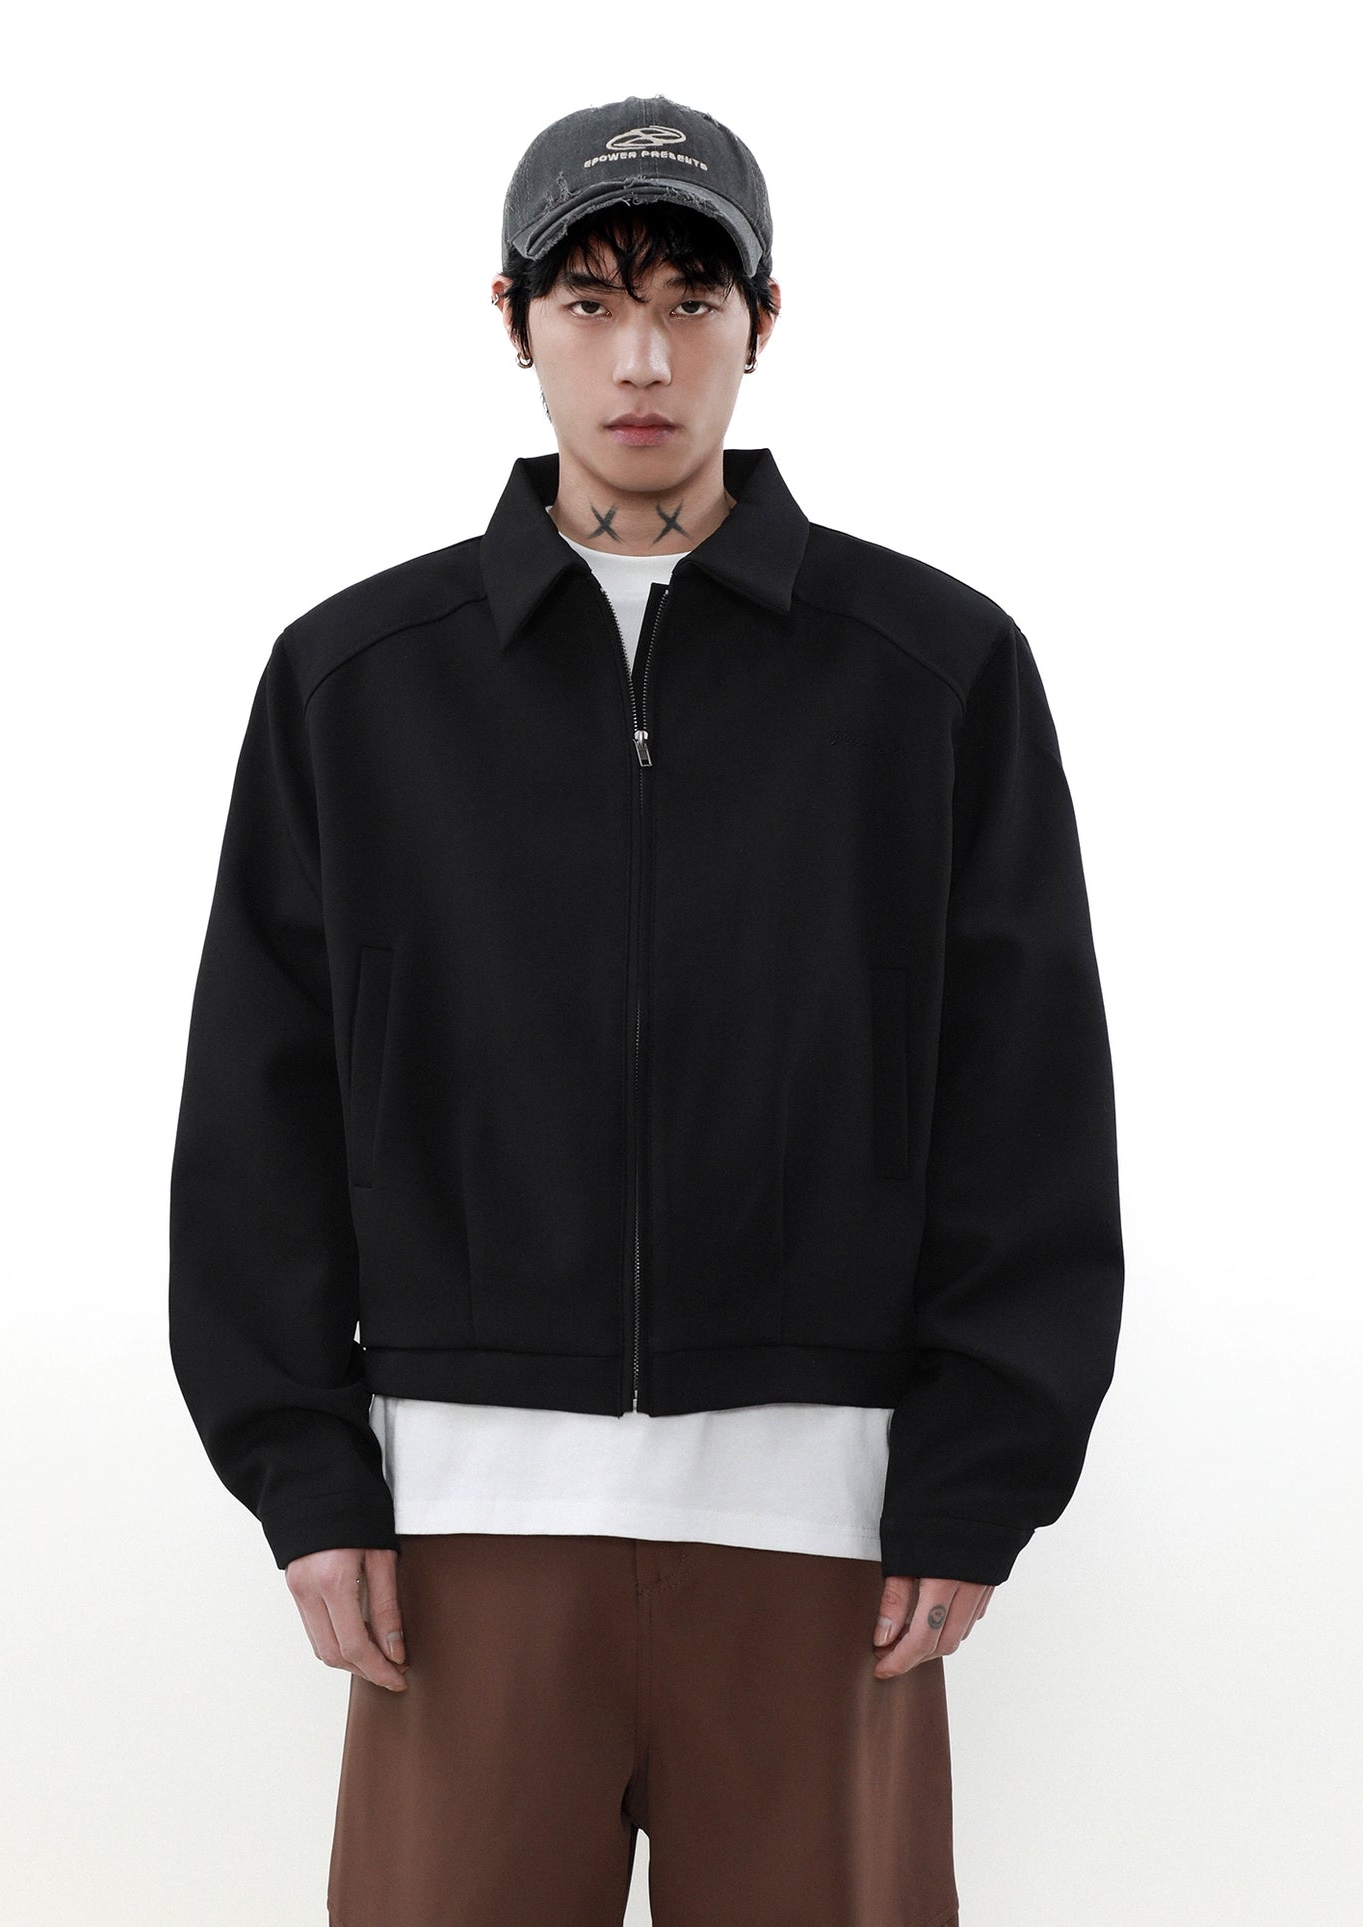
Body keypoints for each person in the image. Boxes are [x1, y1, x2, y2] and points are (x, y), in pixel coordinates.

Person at [168, 93, 1124, 1926]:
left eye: (691, 302)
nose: (641, 358)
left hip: (822, 1528)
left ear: (764, 322)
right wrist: (306, 1476)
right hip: (461, 1527)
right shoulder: (355, 686)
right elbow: (258, 1109)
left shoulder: (932, 675)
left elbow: (1025, 1103)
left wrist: (972, 1476)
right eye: (592, 301)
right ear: (511, 317)